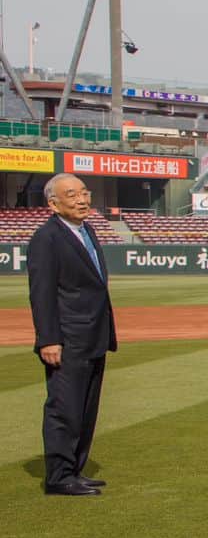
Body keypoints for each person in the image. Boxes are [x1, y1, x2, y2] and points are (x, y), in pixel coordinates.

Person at [28, 174, 116, 496]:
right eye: (71, 194)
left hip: (93, 336)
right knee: (64, 408)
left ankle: (75, 469)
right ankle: (59, 476)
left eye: (84, 192)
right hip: (67, 339)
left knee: (85, 408)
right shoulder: (46, 238)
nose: (82, 199)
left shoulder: (87, 230)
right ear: (53, 203)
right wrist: (48, 339)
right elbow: (42, 293)